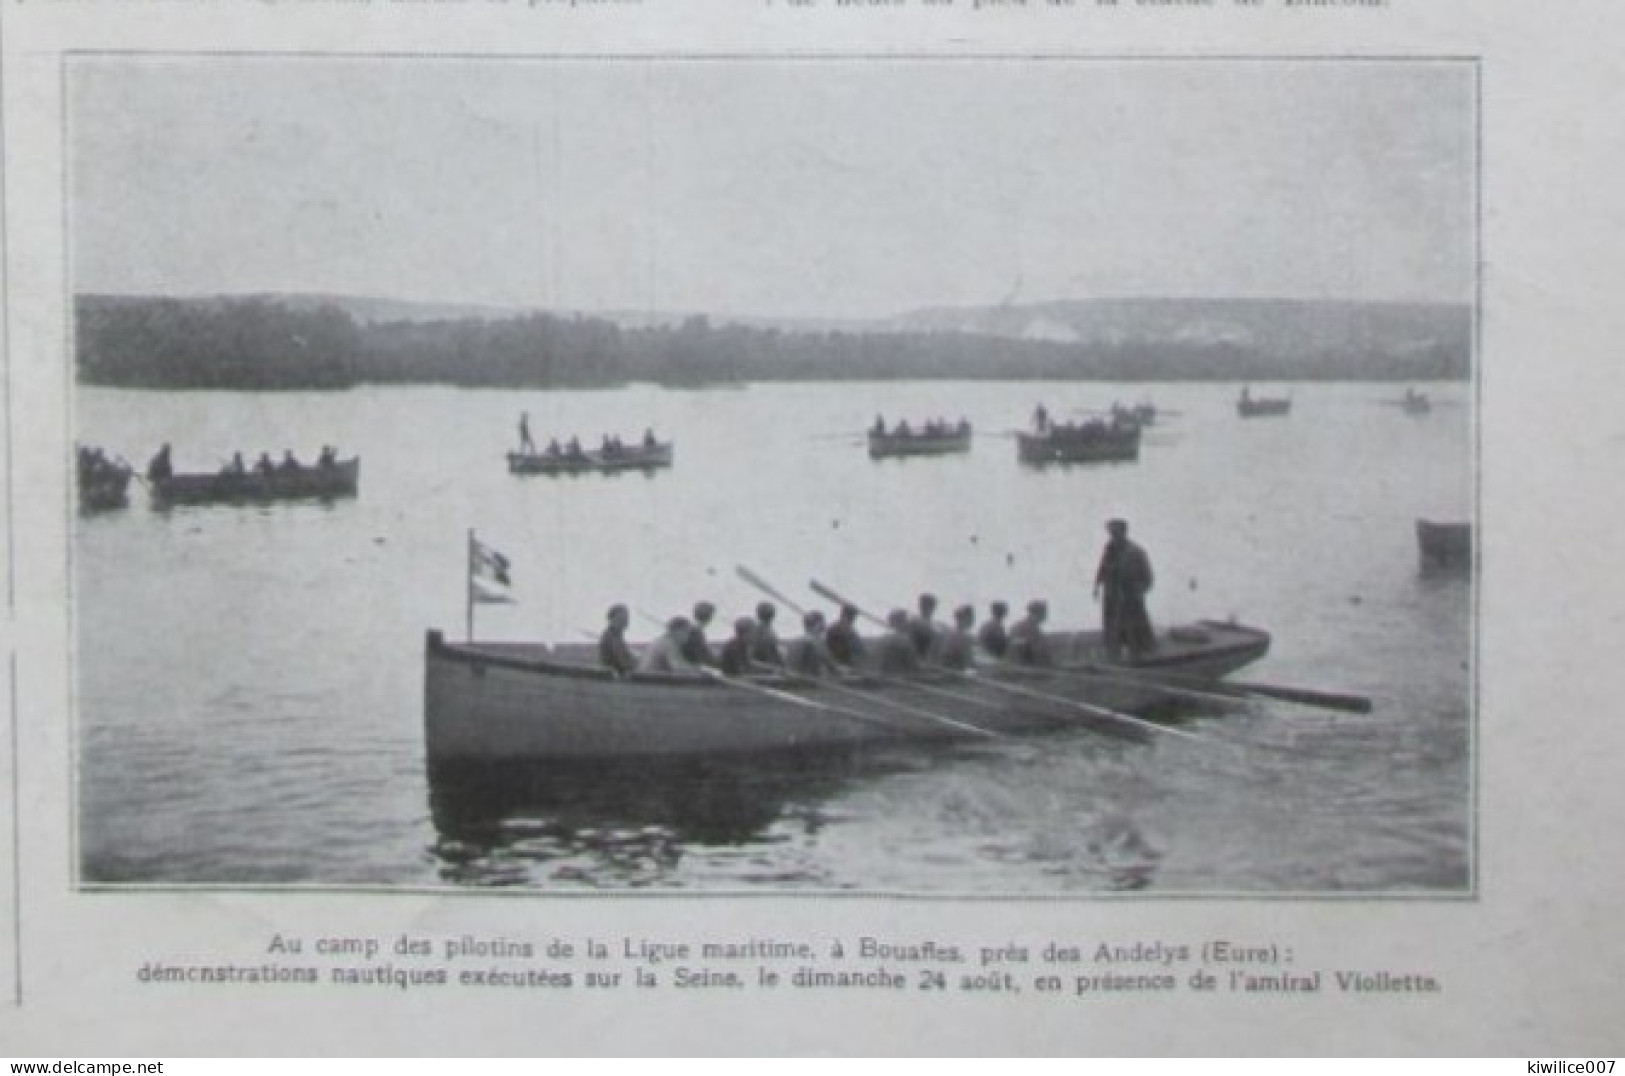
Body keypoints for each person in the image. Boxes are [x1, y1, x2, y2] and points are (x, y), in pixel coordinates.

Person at [1094, 518, 1156, 661]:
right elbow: (1102, 569)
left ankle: (1139, 655)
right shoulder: (1109, 549)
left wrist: (1139, 591)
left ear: (1123, 532)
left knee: (1134, 629)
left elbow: (1148, 577)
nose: (1112, 536)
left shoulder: (1136, 551)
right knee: (1112, 628)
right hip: (1112, 597)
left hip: (1130, 598)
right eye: (1111, 533)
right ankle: (1114, 656)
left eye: (1115, 532)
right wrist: (1097, 585)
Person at [786, 611, 840, 678]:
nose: (825, 625)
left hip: (791, 678)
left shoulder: (794, 641)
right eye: (823, 622)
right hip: (808, 682)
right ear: (818, 624)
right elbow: (832, 667)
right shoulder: (817, 642)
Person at [1008, 600, 1054, 666]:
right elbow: (1040, 653)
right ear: (1039, 613)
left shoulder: (1015, 626)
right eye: (1044, 613)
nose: (1045, 616)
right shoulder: (1034, 630)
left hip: (1015, 665)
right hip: (1029, 668)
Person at [877, 609, 921, 674]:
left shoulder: (883, 638)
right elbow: (913, 664)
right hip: (900, 677)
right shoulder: (906, 640)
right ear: (902, 622)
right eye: (905, 620)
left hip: (884, 675)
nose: (907, 623)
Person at [598, 604, 637, 676]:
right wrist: (637, 664)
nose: (625, 622)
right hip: (614, 677)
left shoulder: (616, 636)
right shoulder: (610, 637)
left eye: (626, 619)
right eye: (621, 619)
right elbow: (621, 662)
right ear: (612, 619)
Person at [936, 605, 977, 670]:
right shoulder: (966, 639)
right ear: (968, 621)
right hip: (953, 673)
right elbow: (968, 661)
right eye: (971, 620)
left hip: (941, 667)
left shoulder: (946, 631)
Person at [825, 604, 866, 669]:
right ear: (843, 615)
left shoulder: (852, 632)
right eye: (850, 617)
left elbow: (861, 651)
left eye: (852, 618)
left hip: (849, 666)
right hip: (837, 666)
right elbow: (833, 651)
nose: (851, 620)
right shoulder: (834, 630)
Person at [682, 601, 718, 666]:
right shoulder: (697, 633)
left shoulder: (688, 629)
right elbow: (705, 657)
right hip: (690, 669)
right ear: (709, 618)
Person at [908, 593, 944, 658]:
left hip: (925, 659)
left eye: (927, 605)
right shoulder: (912, 621)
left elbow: (937, 648)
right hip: (909, 656)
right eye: (922, 604)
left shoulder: (937, 627)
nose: (923, 607)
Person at [750, 602, 784, 667]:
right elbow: (778, 656)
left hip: (756, 666)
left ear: (757, 614)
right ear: (773, 616)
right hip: (768, 668)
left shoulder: (752, 630)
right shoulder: (771, 634)